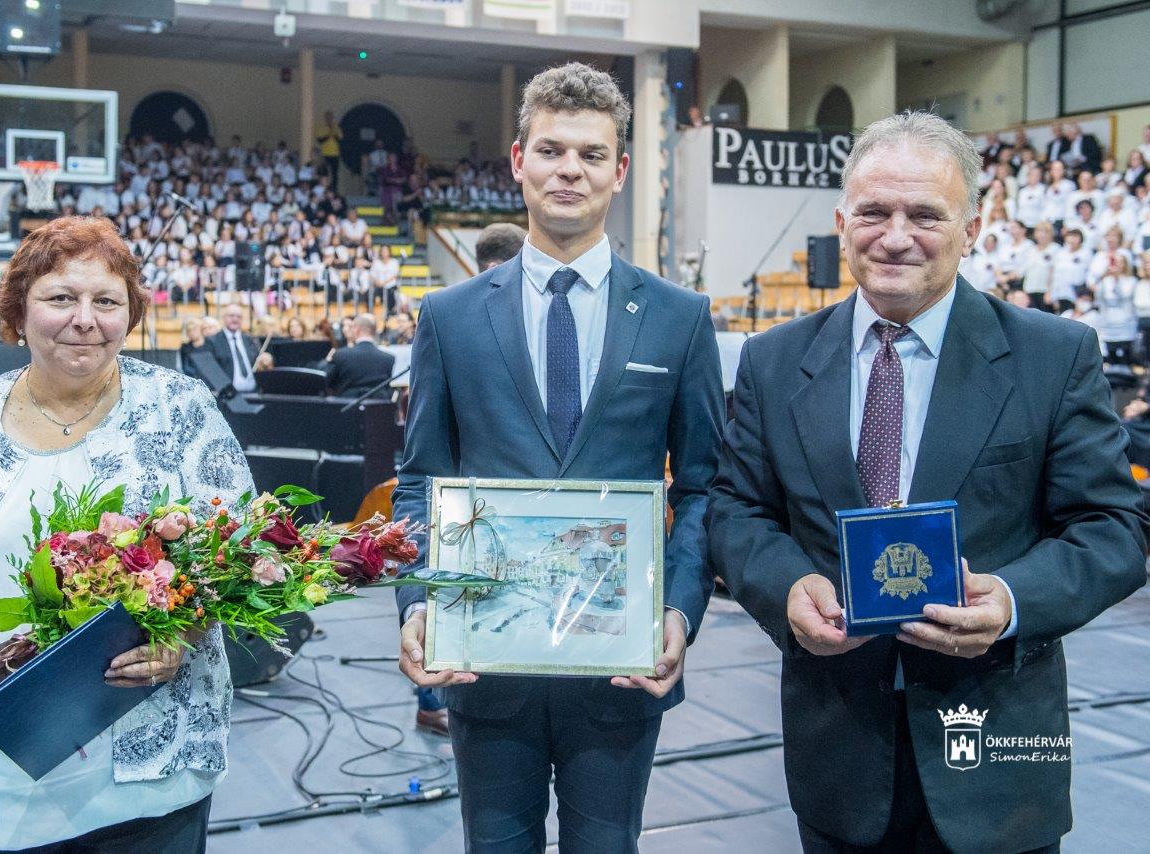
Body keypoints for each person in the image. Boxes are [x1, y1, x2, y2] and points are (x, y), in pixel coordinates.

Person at [707, 110, 1147, 854]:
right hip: (839, 748)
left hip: (999, 748)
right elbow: (737, 510)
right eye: (875, 212)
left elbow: (1116, 528)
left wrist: (1011, 602)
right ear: (843, 222)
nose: (896, 234)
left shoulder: (1052, 356)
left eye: (925, 214)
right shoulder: (772, 362)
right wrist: (786, 587)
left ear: (971, 229)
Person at [393, 63, 726, 853]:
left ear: (619, 170)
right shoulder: (449, 316)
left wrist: (677, 613)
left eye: (588, 153)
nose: (567, 170)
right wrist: (416, 605)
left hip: (621, 668)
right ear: (517, 161)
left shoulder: (680, 319)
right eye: (550, 150)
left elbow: (710, 488)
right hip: (486, 664)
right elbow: (419, 482)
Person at [0, 216, 253, 854]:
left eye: (107, 301)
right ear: (18, 311)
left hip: (147, 772)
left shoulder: (182, 412)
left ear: (129, 315)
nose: (86, 318)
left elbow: (237, 550)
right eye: (60, 299)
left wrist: (178, 637)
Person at [321, 313, 395, 399]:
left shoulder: (341, 355)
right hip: (377, 409)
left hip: (347, 407)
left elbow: (327, 381)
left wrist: (327, 361)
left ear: (356, 330)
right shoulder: (389, 359)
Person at [206, 303, 260, 393]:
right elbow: (211, 372)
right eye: (231, 316)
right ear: (224, 318)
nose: (235, 319)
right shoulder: (212, 341)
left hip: (254, 394)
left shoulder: (249, 339)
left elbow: (256, 362)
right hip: (229, 397)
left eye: (238, 317)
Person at [314, 111, 342, 193]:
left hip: (335, 154)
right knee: (324, 173)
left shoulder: (337, 128)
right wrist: (329, 134)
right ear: (325, 118)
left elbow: (340, 140)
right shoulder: (321, 128)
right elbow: (320, 140)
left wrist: (333, 132)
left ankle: (334, 190)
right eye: (327, 117)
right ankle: (323, 189)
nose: (329, 119)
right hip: (325, 154)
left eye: (331, 117)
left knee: (334, 174)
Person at [179, 315, 209, 379]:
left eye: (194, 329)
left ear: (201, 329)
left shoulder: (210, 345)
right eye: (189, 330)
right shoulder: (185, 348)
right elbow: (185, 367)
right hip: (194, 380)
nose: (192, 332)